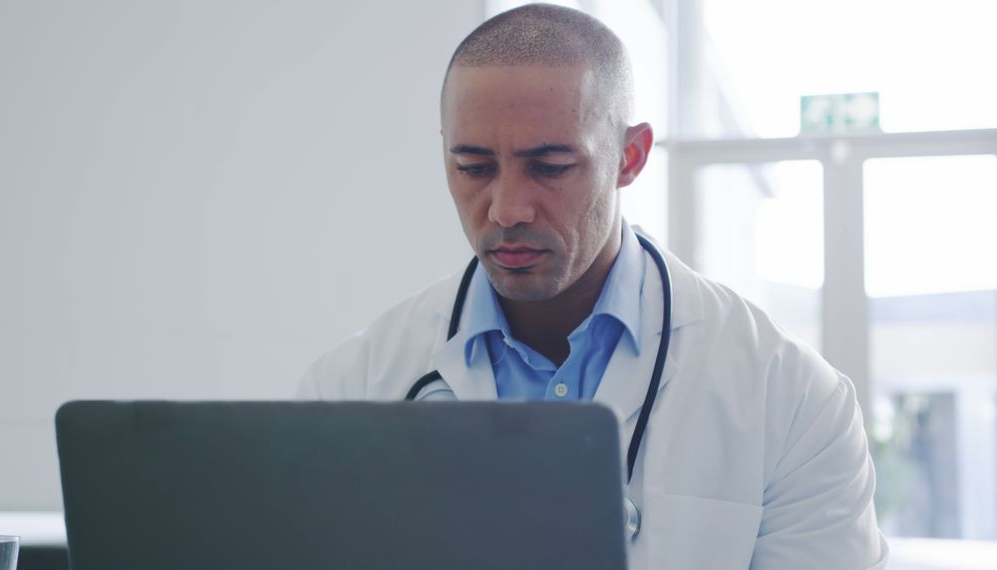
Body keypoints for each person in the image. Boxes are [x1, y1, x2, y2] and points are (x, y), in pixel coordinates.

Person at [297, 4, 889, 569]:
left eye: (550, 167)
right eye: (474, 167)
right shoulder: (351, 387)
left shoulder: (791, 401)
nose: (505, 209)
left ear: (629, 157)